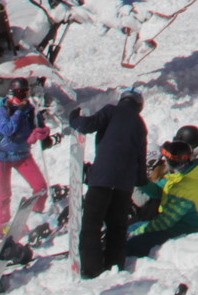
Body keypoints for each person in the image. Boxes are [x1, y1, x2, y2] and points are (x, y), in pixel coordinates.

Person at [70, 88, 146, 278]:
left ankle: (91, 270)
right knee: (117, 227)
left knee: (91, 225)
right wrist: (140, 181)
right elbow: (141, 157)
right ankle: (115, 266)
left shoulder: (111, 111)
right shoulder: (139, 123)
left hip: (102, 179)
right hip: (124, 185)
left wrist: (74, 118)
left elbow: (88, 125)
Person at [125, 139, 198, 257]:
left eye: (166, 159)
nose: (163, 161)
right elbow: (158, 192)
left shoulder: (185, 187)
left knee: (130, 244)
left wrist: (136, 233)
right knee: (129, 229)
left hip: (181, 230)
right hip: (172, 224)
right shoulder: (179, 177)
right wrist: (139, 180)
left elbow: (164, 222)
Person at [0, 81, 50, 233]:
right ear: (13, 93)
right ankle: (1, 229)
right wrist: (18, 113)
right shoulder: (5, 109)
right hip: (2, 157)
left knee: (41, 187)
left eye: (26, 93)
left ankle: (36, 216)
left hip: (22, 155)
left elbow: (35, 129)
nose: (24, 97)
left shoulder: (30, 110)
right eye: (20, 93)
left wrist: (42, 133)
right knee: (4, 196)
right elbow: (7, 129)